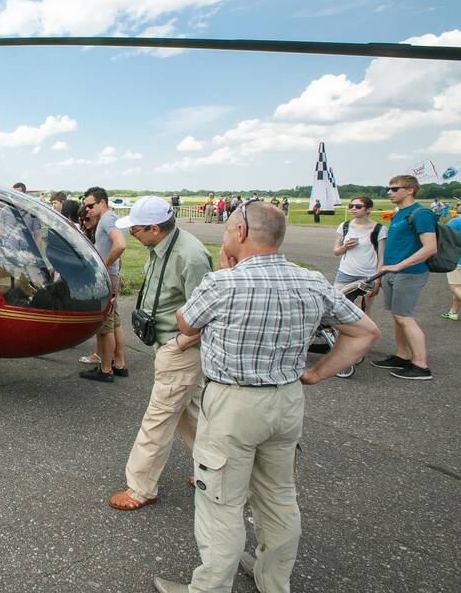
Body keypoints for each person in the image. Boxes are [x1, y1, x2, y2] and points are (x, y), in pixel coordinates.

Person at [151, 202, 379, 593]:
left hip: (233, 404)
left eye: (226, 230)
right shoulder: (312, 281)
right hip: (287, 400)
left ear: (240, 233)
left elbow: (186, 321)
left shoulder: (223, 283)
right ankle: (274, 581)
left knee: (220, 501)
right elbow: (365, 331)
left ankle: (209, 588)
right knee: (278, 498)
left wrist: (225, 270)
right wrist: (318, 372)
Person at [106, 196, 212, 511]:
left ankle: (141, 488)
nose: (133, 237)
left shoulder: (190, 256)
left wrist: (179, 344)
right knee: (191, 415)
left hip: (179, 347)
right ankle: (213, 472)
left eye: (136, 230)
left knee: (159, 418)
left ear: (154, 228)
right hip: (167, 343)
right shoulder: (161, 246)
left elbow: (206, 311)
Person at [370, 175, 438, 380]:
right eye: (388, 188)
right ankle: (403, 355)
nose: (389, 192)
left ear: (410, 190)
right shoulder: (399, 214)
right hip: (392, 273)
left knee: (404, 317)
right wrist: (382, 273)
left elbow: (430, 248)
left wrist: (400, 265)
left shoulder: (421, 214)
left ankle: (420, 365)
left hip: (409, 273)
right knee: (397, 316)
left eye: (394, 188)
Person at [328, 196, 383, 377]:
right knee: (335, 307)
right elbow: (336, 251)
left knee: (363, 310)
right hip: (345, 272)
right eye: (351, 206)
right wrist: (344, 247)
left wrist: (377, 279)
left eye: (358, 206)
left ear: (368, 209)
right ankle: (339, 343)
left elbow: (381, 257)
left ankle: (362, 344)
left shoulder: (379, 230)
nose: (353, 209)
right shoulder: (345, 226)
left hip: (368, 274)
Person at [79, 187, 128, 382]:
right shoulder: (111, 218)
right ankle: (119, 363)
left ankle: (105, 369)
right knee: (114, 322)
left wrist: (104, 267)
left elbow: (120, 244)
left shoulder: (107, 219)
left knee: (105, 324)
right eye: (86, 206)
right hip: (113, 276)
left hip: (108, 277)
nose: (88, 210)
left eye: (91, 206)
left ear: (102, 203)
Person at [444, 203, 461, 321]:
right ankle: (453, 312)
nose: (457, 206)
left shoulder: (454, 222)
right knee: (459, 287)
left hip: (457, 259)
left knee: (455, 287)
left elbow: (443, 237)